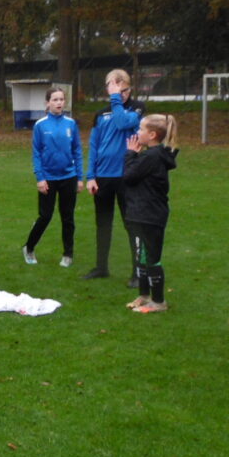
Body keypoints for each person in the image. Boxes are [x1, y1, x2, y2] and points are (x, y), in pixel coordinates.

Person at [82, 69, 145, 284]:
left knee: (132, 224)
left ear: (129, 88)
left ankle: (138, 271)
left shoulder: (137, 109)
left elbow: (122, 122)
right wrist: (91, 176)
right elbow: (94, 146)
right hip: (103, 177)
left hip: (128, 176)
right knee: (103, 224)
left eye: (123, 89)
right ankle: (101, 267)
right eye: (115, 89)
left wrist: (116, 99)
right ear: (108, 88)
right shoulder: (100, 114)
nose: (121, 94)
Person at [121, 114, 178, 313]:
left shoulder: (152, 156)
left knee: (152, 258)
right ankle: (144, 295)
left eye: (141, 129)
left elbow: (128, 176)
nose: (137, 133)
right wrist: (135, 156)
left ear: (152, 135)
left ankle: (159, 301)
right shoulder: (151, 155)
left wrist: (130, 154)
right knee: (141, 256)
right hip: (140, 212)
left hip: (149, 215)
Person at [22, 87, 83, 268]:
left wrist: (80, 178)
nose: (59, 103)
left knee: (68, 217)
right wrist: (40, 178)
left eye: (61, 99)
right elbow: (36, 153)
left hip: (69, 177)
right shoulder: (40, 125)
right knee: (45, 216)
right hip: (48, 178)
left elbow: (77, 151)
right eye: (55, 99)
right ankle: (29, 247)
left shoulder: (71, 124)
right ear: (47, 103)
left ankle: (68, 254)